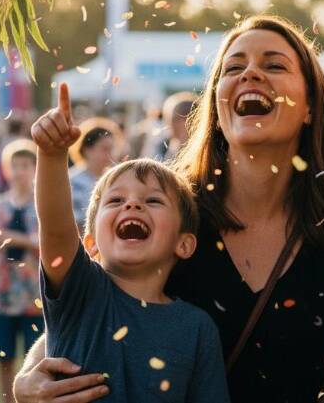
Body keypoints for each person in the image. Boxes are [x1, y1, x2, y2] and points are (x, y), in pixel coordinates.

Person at [14, 16, 324, 403]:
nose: (250, 74)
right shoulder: (170, 212)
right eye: (233, 68)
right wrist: (31, 378)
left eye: (273, 65)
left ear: (310, 106)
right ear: (217, 104)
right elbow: (88, 307)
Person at [29, 84, 229, 402]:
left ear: (184, 244)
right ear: (91, 243)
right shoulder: (80, 291)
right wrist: (52, 155)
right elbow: (54, 229)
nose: (131, 206)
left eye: (153, 200)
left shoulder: (197, 328)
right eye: (116, 200)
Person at [0, 139, 44, 403]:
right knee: (4, 356)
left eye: (25, 165)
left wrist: (12, 237)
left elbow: (43, 245)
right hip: (5, 292)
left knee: (34, 360)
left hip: (35, 295)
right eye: (15, 166)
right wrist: (3, 239)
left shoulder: (42, 204)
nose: (19, 171)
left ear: (34, 168)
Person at [68, 118, 122, 230]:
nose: (110, 154)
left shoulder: (116, 179)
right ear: (87, 150)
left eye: (112, 149)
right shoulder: (72, 181)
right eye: (105, 149)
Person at [153, 92, 195, 161]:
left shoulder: (204, 153)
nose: (166, 125)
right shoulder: (164, 147)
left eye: (169, 119)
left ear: (185, 121)